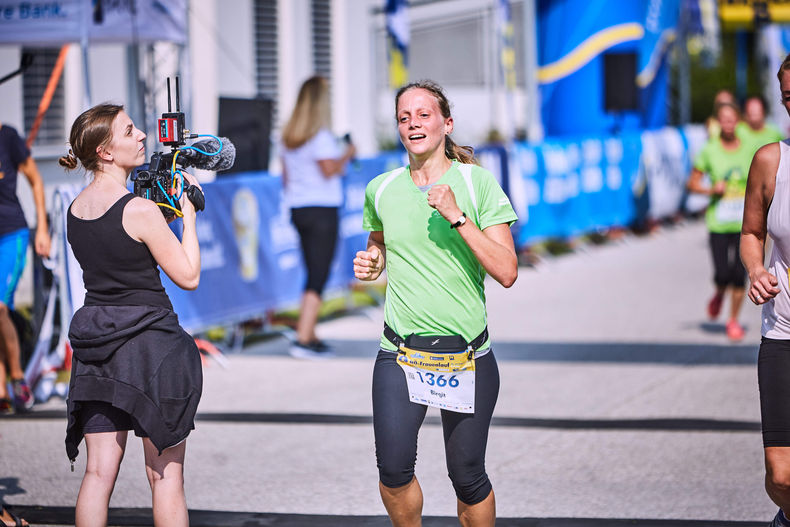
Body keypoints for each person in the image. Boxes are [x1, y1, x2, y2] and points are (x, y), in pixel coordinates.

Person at [354, 80, 518, 526]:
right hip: (400, 353)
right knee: (392, 472)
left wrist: (457, 217)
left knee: (467, 477)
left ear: (446, 124)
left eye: (423, 115)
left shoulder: (475, 182)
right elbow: (380, 244)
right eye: (404, 117)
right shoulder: (382, 188)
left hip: (467, 357)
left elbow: (506, 270)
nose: (413, 124)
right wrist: (373, 262)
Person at [59, 104, 203, 527]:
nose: (142, 135)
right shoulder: (139, 210)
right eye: (129, 130)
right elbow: (188, 275)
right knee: (165, 477)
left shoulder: (74, 211)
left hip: (97, 348)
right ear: (105, 151)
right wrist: (188, 215)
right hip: (152, 348)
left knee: (98, 472)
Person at [742, 53, 790, 527]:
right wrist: (756, 269)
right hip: (783, 332)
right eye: (789, 97)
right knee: (781, 476)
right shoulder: (771, 161)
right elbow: (752, 232)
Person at [280, 75, 355, 359]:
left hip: (299, 208)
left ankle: (308, 331)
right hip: (322, 208)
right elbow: (328, 170)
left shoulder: (288, 137)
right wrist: (348, 153)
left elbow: (286, 178)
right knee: (318, 273)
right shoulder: (321, 137)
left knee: (313, 269)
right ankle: (303, 338)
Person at [687, 101, 756, 341]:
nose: (728, 123)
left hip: (744, 224)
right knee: (722, 273)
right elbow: (692, 183)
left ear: (738, 121)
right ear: (718, 123)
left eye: (732, 119)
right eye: (723, 119)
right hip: (718, 223)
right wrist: (710, 190)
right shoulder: (710, 150)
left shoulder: (749, 148)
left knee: (739, 274)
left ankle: (733, 320)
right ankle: (718, 292)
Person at [0, 121, 50, 414]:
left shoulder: (7, 137)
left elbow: (36, 180)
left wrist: (41, 227)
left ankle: (17, 376)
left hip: (11, 234)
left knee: (0, 306)